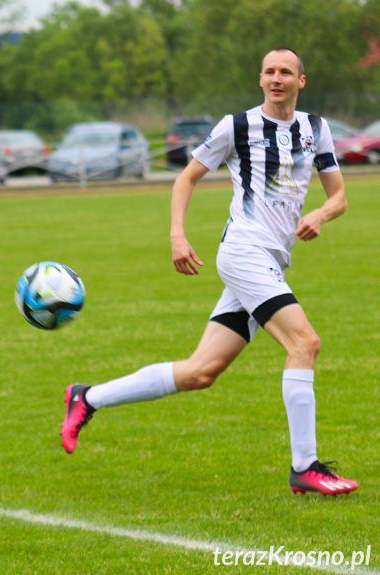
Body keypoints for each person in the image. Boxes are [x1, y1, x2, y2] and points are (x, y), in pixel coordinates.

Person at [60, 47, 359, 496]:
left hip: (272, 261)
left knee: (201, 372)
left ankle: (88, 397)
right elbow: (186, 178)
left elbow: (339, 196)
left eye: (286, 72)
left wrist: (321, 214)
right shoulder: (235, 126)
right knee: (305, 343)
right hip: (243, 252)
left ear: (302, 81)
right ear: (260, 79)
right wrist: (177, 236)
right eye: (270, 71)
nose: (277, 78)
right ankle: (305, 467)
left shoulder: (317, 129)